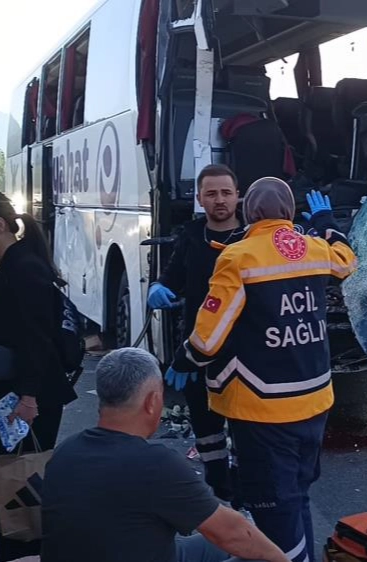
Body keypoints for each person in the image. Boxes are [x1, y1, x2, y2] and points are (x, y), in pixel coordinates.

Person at [167, 178, 357, 562]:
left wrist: (184, 360)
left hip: (262, 408)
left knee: (274, 514)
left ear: (249, 212)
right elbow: (347, 260)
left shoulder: (239, 257)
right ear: (289, 213)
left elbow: (208, 338)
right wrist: (325, 223)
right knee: (298, 496)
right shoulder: (315, 248)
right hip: (315, 402)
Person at [41, 347, 290, 562]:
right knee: (256, 551)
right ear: (152, 401)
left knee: (209, 544)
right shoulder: (155, 465)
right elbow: (232, 533)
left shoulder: (65, 451)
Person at [0, 190, 77, 562]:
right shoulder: (10, 264)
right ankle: (19, 550)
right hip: (13, 395)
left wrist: (28, 398)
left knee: (21, 481)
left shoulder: (24, 269)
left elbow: (36, 340)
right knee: (11, 479)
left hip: (27, 397)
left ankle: (24, 553)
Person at [148, 163, 246, 502]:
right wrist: (159, 288)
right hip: (197, 352)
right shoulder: (191, 235)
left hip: (244, 354)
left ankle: (245, 497)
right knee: (207, 430)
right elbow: (171, 277)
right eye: (211, 193)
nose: (220, 200)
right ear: (200, 198)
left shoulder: (253, 237)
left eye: (226, 193)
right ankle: (218, 493)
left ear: (238, 196)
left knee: (244, 432)